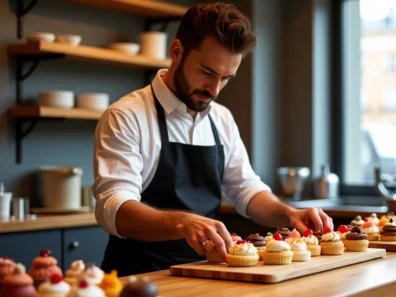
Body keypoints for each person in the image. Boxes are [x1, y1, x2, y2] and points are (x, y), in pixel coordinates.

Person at [93, 2, 333, 276]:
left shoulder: (221, 118)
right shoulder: (126, 116)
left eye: (226, 78)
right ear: (176, 52)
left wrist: (289, 214)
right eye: (207, 72)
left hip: (206, 273)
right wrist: (183, 223)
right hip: (139, 277)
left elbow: (246, 190)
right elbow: (114, 208)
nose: (215, 89)